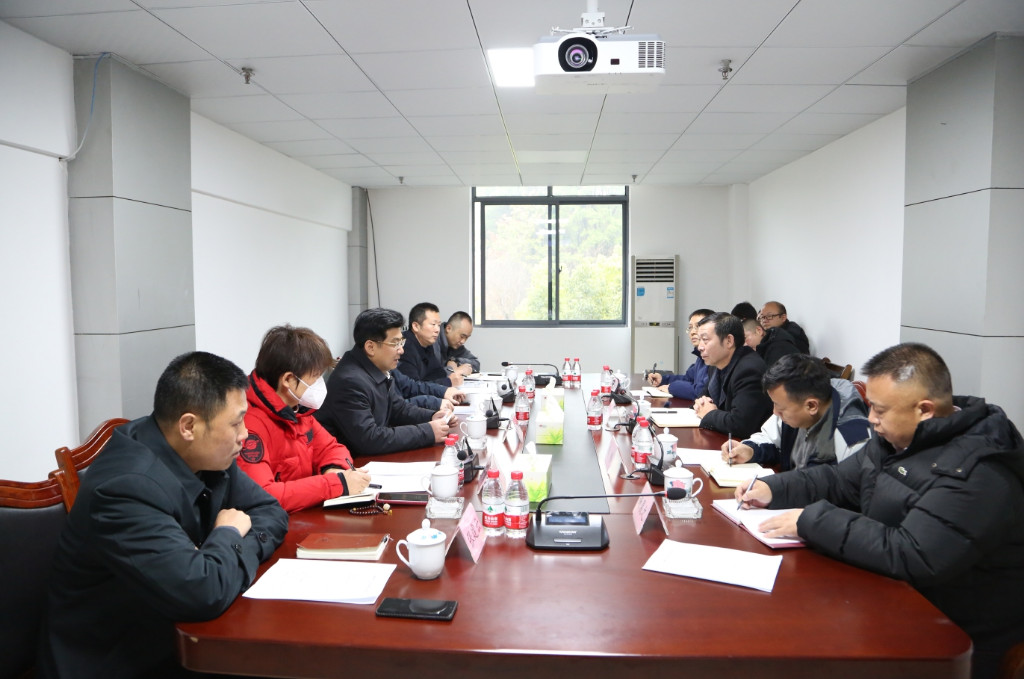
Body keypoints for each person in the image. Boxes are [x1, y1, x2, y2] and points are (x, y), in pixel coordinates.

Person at [738, 343, 1024, 679]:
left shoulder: (977, 471)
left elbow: (913, 553)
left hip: (955, 636)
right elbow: (838, 479)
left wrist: (811, 520)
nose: (870, 419)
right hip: (894, 600)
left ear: (924, 410)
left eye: (879, 410)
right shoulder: (896, 440)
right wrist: (774, 488)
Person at [38, 351, 288, 679]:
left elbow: (270, 511)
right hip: (117, 661)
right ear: (189, 426)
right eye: (235, 422)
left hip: (175, 637)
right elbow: (203, 592)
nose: (245, 434)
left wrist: (220, 555)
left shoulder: (206, 454)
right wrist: (227, 535)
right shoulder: (125, 488)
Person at [238, 325, 371, 513]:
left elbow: (330, 447)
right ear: (288, 380)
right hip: (274, 523)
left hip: (305, 514)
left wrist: (334, 469)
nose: (319, 384)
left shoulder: (297, 409)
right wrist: (335, 484)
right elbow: (264, 496)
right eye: (315, 377)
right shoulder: (249, 425)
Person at [316, 307, 452, 457]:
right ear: (371, 347)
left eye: (401, 342)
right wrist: (428, 432)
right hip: (353, 464)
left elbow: (398, 408)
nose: (401, 350)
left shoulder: (377, 367)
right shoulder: (349, 382)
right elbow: (369, 439)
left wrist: (432, 416)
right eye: (395, 343)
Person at [721, 353, 870, 471]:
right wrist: (750, 450)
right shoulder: (793, 407)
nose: (775, 412)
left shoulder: (852, 440)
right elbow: (770, 439)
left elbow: (841, 492)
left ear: (811, 406)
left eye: (780, 407)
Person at [692, 312, 773, 438]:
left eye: (705, 340)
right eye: (700, 340)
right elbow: (702, 399)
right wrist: (701, 404)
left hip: (748, 445)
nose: (700, 347)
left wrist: (709, 413)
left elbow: (740, 424)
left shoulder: (749, 370)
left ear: (729, 341)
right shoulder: (715, 366)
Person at [646, 308, 714, 400]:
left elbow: (700, 391)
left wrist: (671, 387)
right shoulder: (700, 356)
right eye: (690, 327)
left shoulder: (714, 359)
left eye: (698, 327)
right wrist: (663, 380)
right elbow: (687, 379)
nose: (692, 332)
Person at [396, 302, 462, 387]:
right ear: (416, 326)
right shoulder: (404, 348)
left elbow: (439, 373)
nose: (437, 330)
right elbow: (411, 388)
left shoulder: (427, 344)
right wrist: (447, 382)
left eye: (439, 325)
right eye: (433, 324)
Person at [435, 311, 480, 377]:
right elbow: (429, 374)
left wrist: (456, 361)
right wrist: (454, 370)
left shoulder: (456, 346)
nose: (463, 341)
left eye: (466, 338)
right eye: (462, 336)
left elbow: (476, 364)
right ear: (448, 328)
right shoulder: (431, 341)